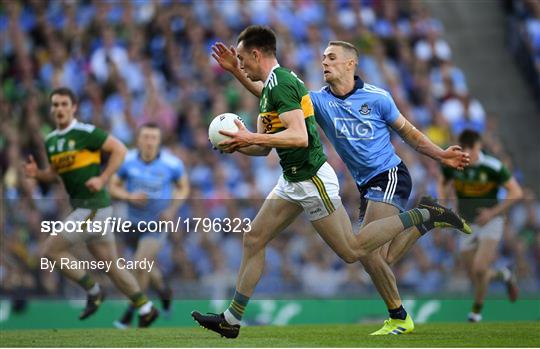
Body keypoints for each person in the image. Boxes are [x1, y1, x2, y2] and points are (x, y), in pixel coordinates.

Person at [192, 25, 470, 339]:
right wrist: (241, 139)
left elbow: (299, 136)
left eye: (331, 57)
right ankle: (232, 319)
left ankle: (426, 216)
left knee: (357, 252)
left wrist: (441, 155)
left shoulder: (373, 97)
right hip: (297, 179)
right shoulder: (295, 92)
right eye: (323, 57)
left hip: (347, 176)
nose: (324, 62)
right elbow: (267, 143)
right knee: (254, 239)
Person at [23, 87, 159, 328]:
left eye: (64, 104)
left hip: (93, 207)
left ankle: (94, 291)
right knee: (111, 265)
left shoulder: (85, 132)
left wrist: (102, 178)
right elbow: (55, 175)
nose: (59, 109)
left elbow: (120, 149)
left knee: (51, 251)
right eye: (55, 104)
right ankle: (146, 307)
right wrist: (38, 175)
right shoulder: (52, 140)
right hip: (86, 208)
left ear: (73, 107)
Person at [109, 122, 190, 328]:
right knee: (145, 266)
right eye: (146, 137)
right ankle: (163, 290)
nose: (149, 142)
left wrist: (172, 210)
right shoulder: (127, 161)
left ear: (159, 141)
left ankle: (134, 312)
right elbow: (112, 187)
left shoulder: (172, 164)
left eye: (153, 138)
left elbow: (183, 188)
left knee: (139, 264)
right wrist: (129, 196)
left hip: (157, 222)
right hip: (133, 223)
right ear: (139, 140)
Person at [439, 129, 523, 322]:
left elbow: (516, 192)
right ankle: (505, 275)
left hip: (491, 221)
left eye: (472, 149)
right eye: (464, 148)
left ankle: (476, 312)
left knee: (479, 268)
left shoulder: (493, 167)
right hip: (466, 223)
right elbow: (443, 182)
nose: (468, 153)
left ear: (479, 147)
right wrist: (444, 205)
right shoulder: (454, 164)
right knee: (475, 275)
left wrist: (492, 213)